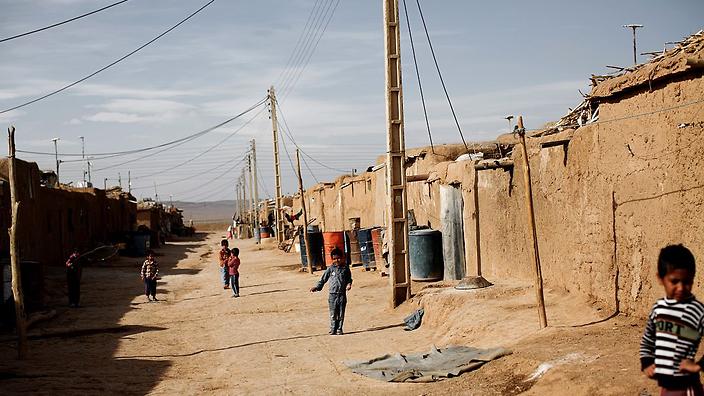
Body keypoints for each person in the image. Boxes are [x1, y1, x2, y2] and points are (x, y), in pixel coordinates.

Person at [640, 244, 704, 395]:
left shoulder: (697, 310)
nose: (681, 287)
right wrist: (647, 362)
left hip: (687, 387)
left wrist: (699, 365)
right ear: (661, 279)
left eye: (687, 281)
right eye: (674, 281)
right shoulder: (658, 310)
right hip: (666, 387)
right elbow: (647, 340)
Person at [310, 248, 352, 335]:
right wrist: (317, 287)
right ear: (332, 259)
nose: (337, 260)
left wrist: (349, 285)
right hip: (332, 295)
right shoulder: (330, 269)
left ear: (342, 258)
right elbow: (323, 279)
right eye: (334, 259)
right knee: (333, 313)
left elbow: (349, 279)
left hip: (342, 295)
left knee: (341, 313)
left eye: (338, 258)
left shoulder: (345, 269)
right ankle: (333, 329)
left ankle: (339, 329)